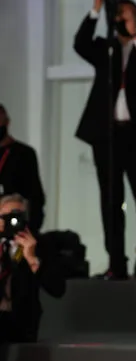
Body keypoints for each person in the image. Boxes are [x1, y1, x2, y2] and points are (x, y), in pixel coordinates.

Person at [74, 0, 136, 280]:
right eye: (119, 16)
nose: (123, 20)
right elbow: (80, 43)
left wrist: (133, 35)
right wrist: (97, 7)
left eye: (128, 15)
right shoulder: (106, 49)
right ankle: (117, 264)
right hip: (108, 136)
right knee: (111, 201)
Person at [0, 194, 66, 344]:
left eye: (16, 216)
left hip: (21, 323)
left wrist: (33, 260)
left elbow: (58, 288)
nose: (11, 222)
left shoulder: (40, 244)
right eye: (4, 217)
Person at [0, 105, 46, 233]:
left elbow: (35, 195)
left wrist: (30, 227)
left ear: (7, 122)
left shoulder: (24, 153)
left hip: (15, 223)